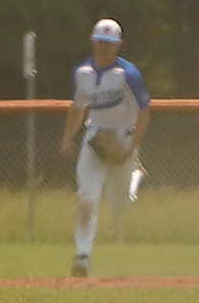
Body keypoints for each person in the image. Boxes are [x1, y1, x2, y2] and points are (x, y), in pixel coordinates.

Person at [59, 18, 150, 278]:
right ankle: (83, 255)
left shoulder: (129, 74)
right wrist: (67, 139)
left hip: (123, 136)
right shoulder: (83, 73)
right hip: (95, 137)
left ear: (119, 45)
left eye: (109, 43)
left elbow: (144, 113)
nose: (104, 48)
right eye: (100, 42)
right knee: (87, 196)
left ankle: (135, 175)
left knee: (119, 204)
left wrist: (131, 148)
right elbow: (78, 108)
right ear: (92, 42)